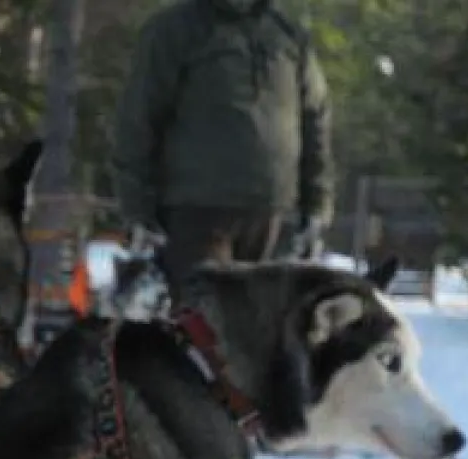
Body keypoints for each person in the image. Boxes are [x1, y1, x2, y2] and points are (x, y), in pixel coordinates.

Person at [111, 0, 334, 292]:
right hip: (195, 210)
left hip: (272, 214)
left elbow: (315, 119)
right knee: (202, 324)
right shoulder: (175, 30)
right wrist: (137, 210)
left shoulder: (287, 35)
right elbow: (137, 119)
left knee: (260, 329)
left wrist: (316, 205)